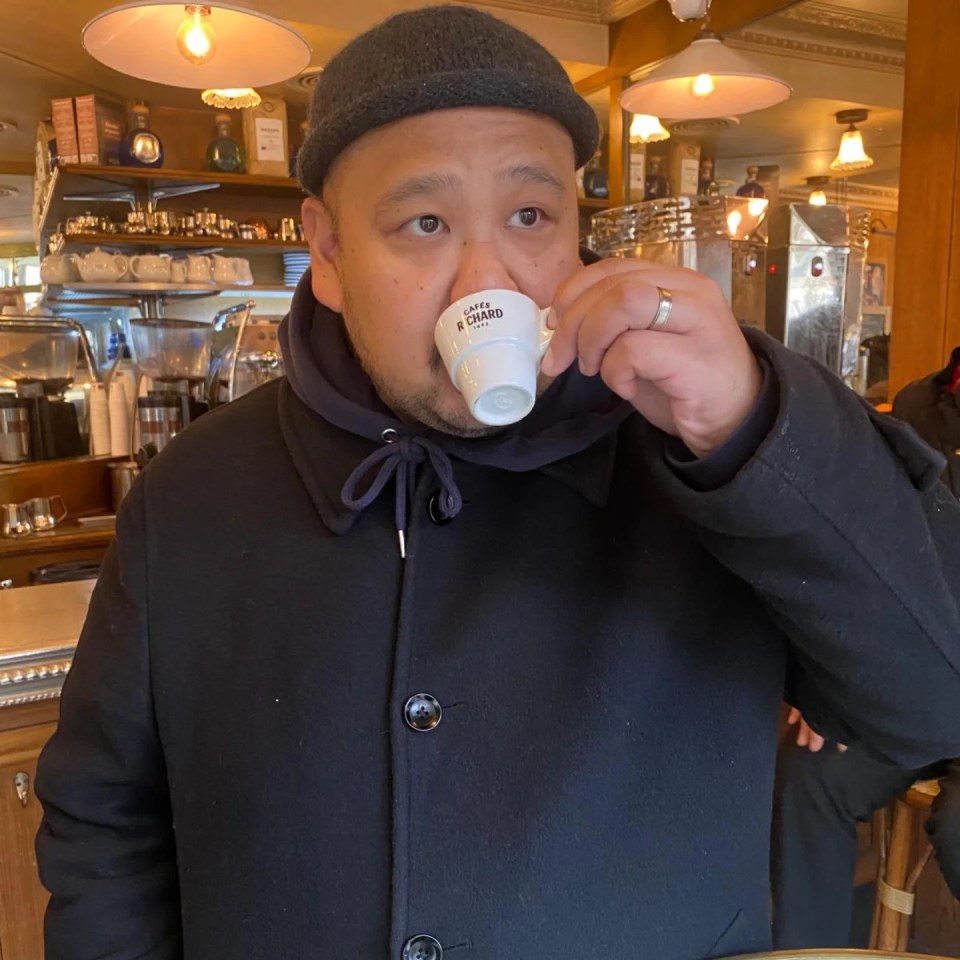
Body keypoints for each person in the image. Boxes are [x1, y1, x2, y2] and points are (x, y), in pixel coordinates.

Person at [34, 7, 960, 960]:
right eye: (424, 223)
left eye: (531, 217)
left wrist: (756, 427)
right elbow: (105, 825)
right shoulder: (195, 493)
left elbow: (935, 702)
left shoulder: (698, 457)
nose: (492, 279)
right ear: (331, 253)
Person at [771, 351, 960, 948]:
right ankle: (812, 955)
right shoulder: (917, 405)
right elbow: (880, 558)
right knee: (809, 776)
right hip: (925, 682)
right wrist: (841, 679)